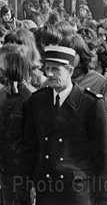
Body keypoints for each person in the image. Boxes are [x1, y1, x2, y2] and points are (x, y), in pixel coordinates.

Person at [19, 45, 107, 205]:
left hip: (78, 191)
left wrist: (104, 197)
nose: (49, 74)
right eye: (47, 68)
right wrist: (23, 186)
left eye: (56, 69)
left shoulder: (90, 104)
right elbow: (29, 148)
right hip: (47, 188)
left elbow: (104, 155)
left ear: (70, 71)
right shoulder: (37, 101)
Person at [0, 47, 36, 205]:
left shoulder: (28, 98)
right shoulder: (3, 95)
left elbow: (32, 140)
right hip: (5, 168)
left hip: (19, 172)